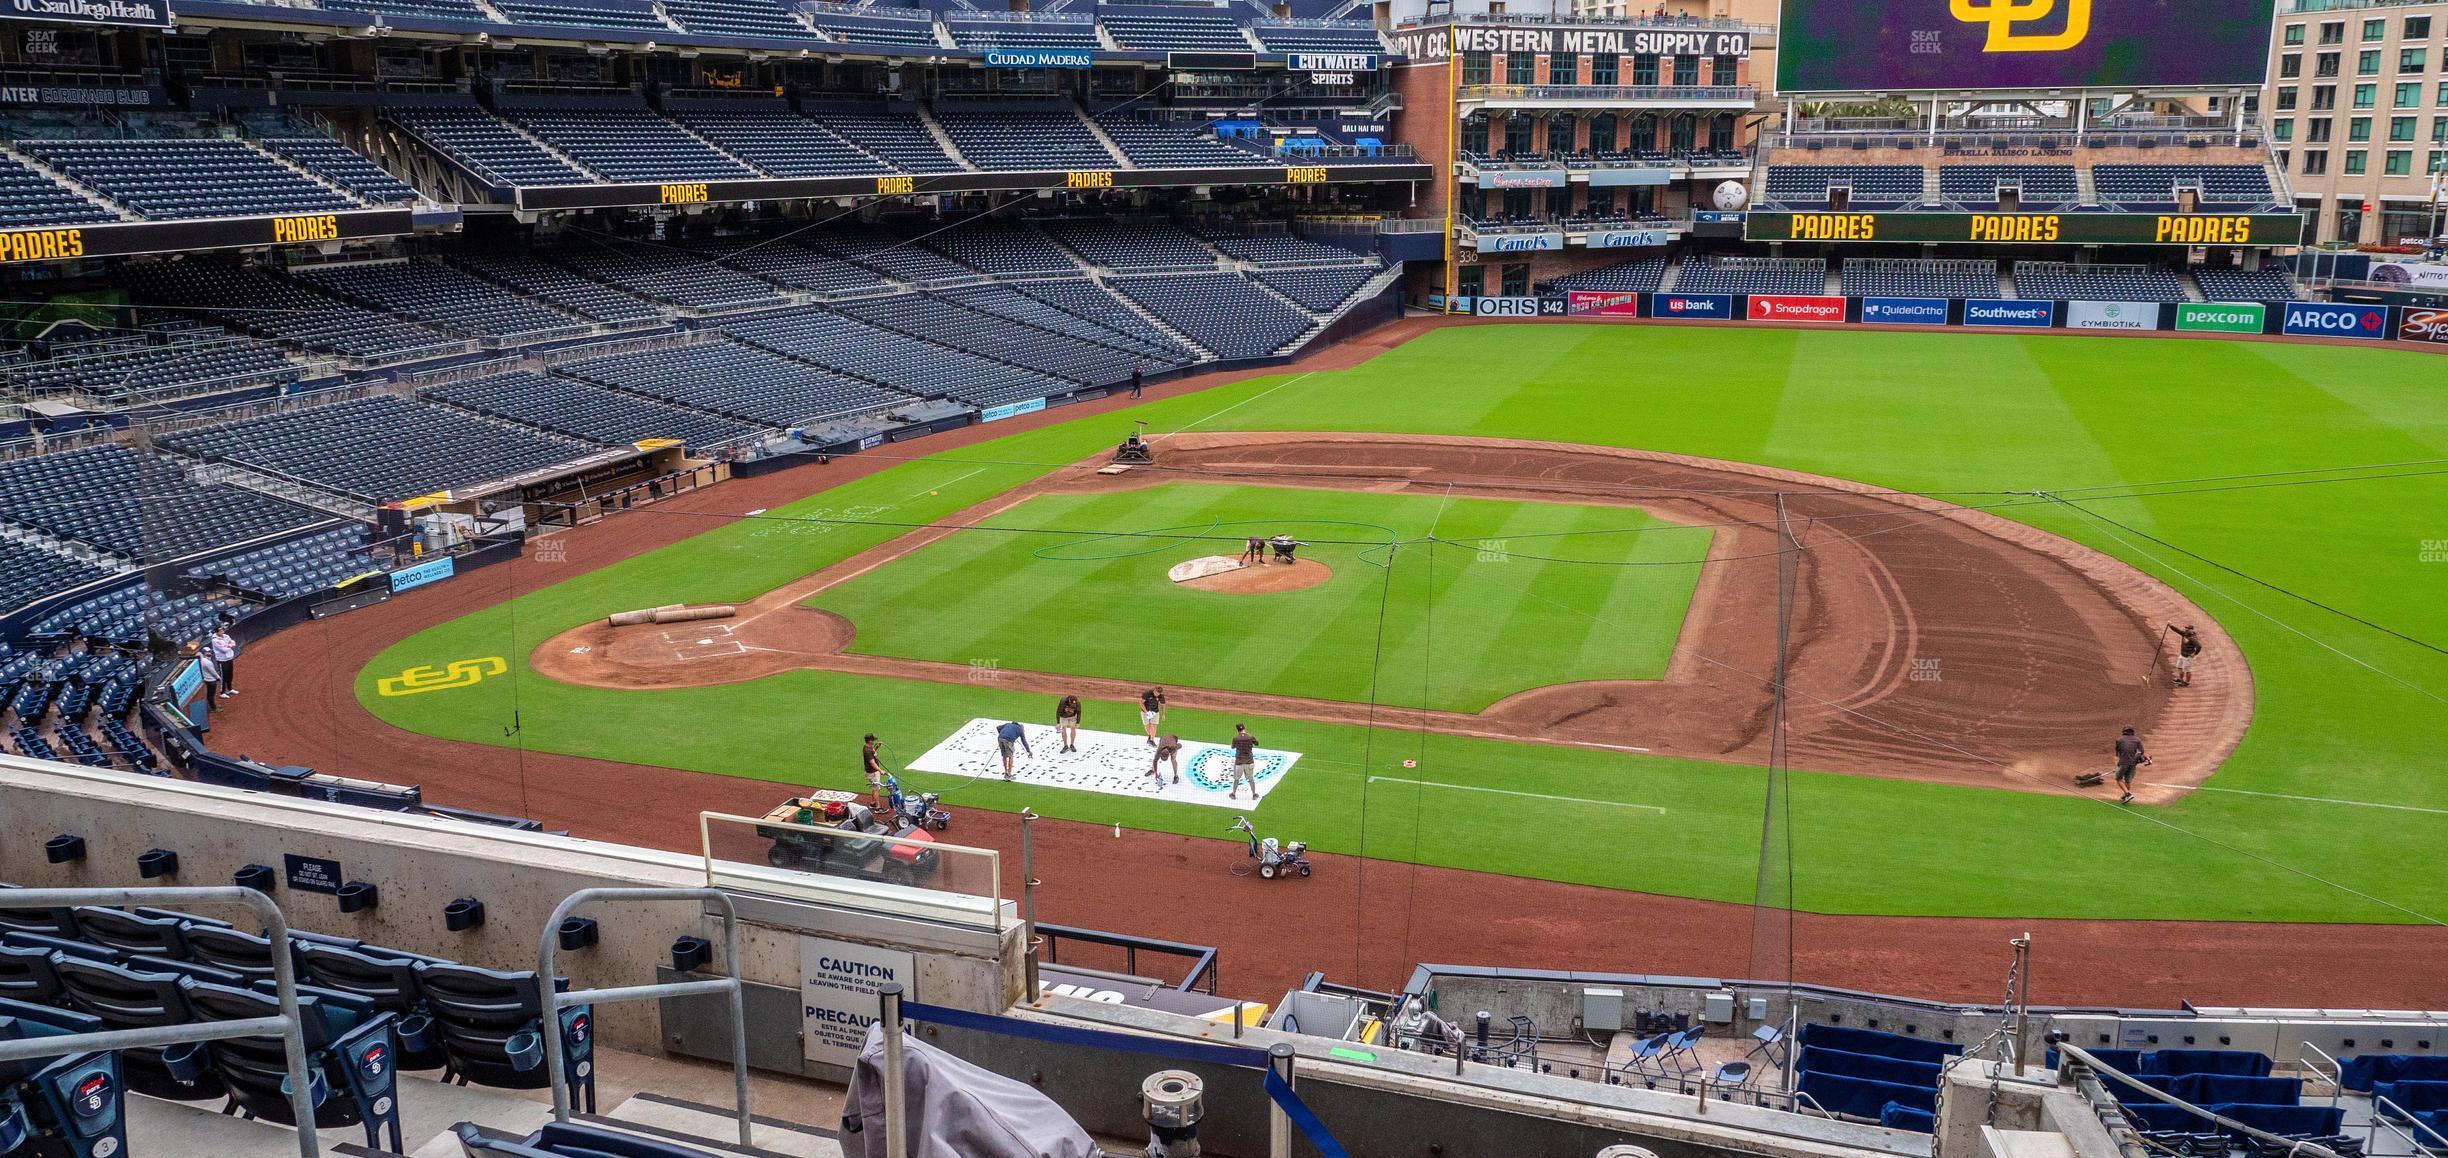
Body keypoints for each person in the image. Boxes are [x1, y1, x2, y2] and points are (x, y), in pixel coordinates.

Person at [2113, 726, 2150, 804]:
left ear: (2124, 732)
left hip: (2123, 763)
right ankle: (2125, 795)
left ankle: (2128, 794)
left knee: (2118, 778)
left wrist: (2118, 766)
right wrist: (2148, 759)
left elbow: (2118, 754)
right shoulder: (2137, 740)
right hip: (2133, 764)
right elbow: (2142, 752)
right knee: (2127, 780)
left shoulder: (2119, 740)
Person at [206, 621, 240, 699]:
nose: (223, 631)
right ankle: (222, 692)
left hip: (229, 658)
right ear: (217, 632)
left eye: (222, 629)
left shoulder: (226, 636)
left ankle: (230, 689)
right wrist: (229, 646)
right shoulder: (215, 640)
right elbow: (224, 650)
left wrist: (228, 645)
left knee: (230, 674)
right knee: (223, 676)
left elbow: (233, 642)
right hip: (222, 660)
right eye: (221, 630)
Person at [1227, 724, 1260, 800]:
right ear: (1244, 728)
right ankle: (1254, 794)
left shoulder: (1236, 738)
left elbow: (1232, 747)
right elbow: (1257, 743)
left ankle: (1233, 794)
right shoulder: (1250, 737)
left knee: (1236, 779)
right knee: (1251, 779)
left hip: (1239, 762)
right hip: (1249, 761)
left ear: (1237, 730)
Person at [861, 733, 888, 810]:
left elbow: (873, 752)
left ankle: (873, 802)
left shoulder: (867, 747)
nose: (873, 741)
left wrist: (876, 747)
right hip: (873, 772)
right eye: (872, 740)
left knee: (874, 787)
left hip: (870, 771)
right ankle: (878, 807)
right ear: (869, 741)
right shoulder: (868, 751)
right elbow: (872, 762)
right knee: (876, 789)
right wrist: (880, 770)